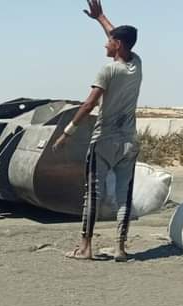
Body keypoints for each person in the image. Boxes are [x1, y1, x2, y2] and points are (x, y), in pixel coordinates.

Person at [55, 1, 143, 262]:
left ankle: (85, 247)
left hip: (103, 140)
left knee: (93, 194)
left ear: (118, 44)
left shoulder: (108, 70)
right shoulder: (136, 63)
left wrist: (67, 132)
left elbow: (89, 104)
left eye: (109, 41)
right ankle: (120, 248)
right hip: (129, 142)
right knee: (124, 196)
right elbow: (118, 36)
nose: (105, 44)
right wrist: (100, 17)